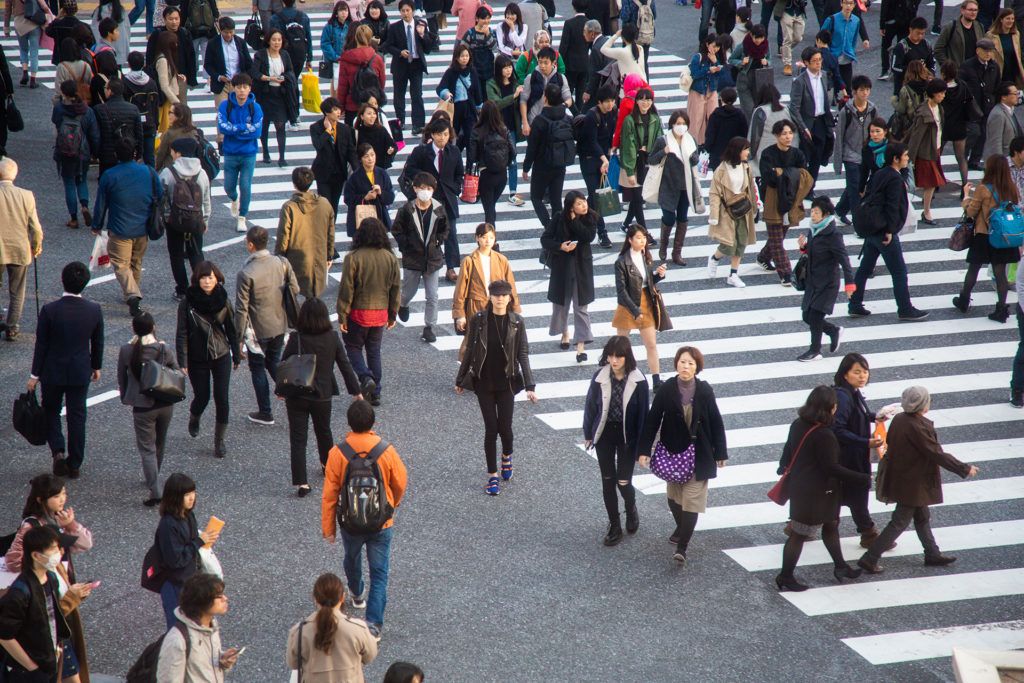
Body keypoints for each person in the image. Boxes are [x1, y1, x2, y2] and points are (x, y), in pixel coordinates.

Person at [858, 386, 980, 573]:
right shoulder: (919, 426)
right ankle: (870, 558)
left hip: (903, 478)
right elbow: (935, 453)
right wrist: (964, 468)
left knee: (922, 518)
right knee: (899, 522)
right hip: (913, 483)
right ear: (923, 404)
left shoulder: (900, 419)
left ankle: (932, 553)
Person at [322, 400, 408, 642]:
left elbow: (330, 494)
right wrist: (393, 504)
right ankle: (373, 624)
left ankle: (356, 592)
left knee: (352, 557)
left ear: (348, 424)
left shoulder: (338, 453)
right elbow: (400, 482)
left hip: (350, 522)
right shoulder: (386, 450)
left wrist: (328, 528)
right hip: (381, 521)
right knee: (379, 572)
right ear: (373, 423)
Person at [774, 386, 871, 591]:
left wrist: (782, 466)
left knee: (831, 524)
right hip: (817, 491)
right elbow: (831, 467)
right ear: (831, 408)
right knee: (799, 533)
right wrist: (861, 478)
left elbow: (788, 450)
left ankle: (840, 566)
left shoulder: (798, 424)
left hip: (803, 487)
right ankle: (785, 576)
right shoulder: (824, 434)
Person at [637, 346, 727, 565]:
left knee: (692, 501)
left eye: (691, 363)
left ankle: (682, 547)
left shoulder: (704, 391)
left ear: (697, 367)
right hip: (673, 451)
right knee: (674, 498)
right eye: (682, 362)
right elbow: (652, 419)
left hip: (700, 455)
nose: (686, 367)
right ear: (676, 363)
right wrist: (643, 450)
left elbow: (716, 421)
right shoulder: (667, 389)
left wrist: (720, 452)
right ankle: (681, 527)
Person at [456, 279, 537, 495]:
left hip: (507, 382)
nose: (500, 299)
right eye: (496, 295)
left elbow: (523, 354)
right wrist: (460, 378)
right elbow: (470, 350)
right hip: (484, 381)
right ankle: (492, 476)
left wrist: (530, 385)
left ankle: (507, 457)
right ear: (489, 297)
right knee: (491, 429)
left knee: (506, 430)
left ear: (509, 298)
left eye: (504, 295)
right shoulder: (479, 320)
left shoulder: (517, 322)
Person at [27, 262, 102, 480]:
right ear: (85, 284)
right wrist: (96, 366)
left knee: (51, 410)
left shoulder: (50, 310)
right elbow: (98, 343)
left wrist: (34, 375)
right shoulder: (94, 310)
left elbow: (41, 345)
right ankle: (75, 462)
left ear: (62, 280)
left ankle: (58, 450)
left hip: (52, 371)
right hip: (80, 370)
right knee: (77, 415)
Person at [280, 298, 361, 497]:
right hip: (322, 394)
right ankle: (327, 466)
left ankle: (302, 482)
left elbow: (284, 364)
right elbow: (345, 365)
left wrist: (281, 390)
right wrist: (356, 391)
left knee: (298, 439)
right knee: (324, 431)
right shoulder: (332, 337)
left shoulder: (296, 338)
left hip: (297, 394)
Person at [849, 142, 930, 321]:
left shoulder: (880, 173)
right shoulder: (894, 179)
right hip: (884, 231)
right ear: (896, 158)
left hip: (872, 228)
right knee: (899, 271)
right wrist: (890, 230)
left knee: (864, 269)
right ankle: (905, 308)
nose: (907, 159)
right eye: (905, 156)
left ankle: (855, 304)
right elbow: (893, 207)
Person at [582, 336, 648, 545]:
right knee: (608, 480)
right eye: (611, 355)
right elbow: (590, 407)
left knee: (623, 480)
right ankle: (614, 525)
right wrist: (588, 434)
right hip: (605, 434)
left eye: (618, 356)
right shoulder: (599, 377)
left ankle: (631, 508)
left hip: (628, 436)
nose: (614, 360)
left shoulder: (639, 380)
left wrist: (643, 448)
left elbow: (644, 416)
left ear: (627, 356)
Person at [235, 225, 300, 426]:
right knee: (273, 360)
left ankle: (265, 412)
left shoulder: (246, 273)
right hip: (279, 323)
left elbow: (241, 309)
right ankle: (292, 395)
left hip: (257, 329)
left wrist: (237, 340)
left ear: (251, 245)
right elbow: (295, 288)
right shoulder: (282, 262)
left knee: (257, 368)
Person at [176, 261, 241, 458]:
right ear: (197, 279)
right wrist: (183, 361)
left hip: (221, 354)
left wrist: (236, 354)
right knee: (202, 396)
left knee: (222, 398)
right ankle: (195, 416)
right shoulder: (187, 302)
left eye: (211, 278)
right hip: (197, 358)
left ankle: (219, 440)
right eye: (203, 278)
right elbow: (182, 333)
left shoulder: (223, 299)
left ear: (217, 279)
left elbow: (231, 329)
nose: (207, 281)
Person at [92, 137, 160, 318]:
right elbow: (160, 195)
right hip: (143, 227)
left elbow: (101, 203)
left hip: (120, 228)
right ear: (135, 154)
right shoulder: (150, 172)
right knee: (136, 262)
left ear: (116, 155)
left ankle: (132, 296)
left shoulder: (110, 175)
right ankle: (132, 292)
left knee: (121, 264)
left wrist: (97, 225)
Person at [117, 313, 180, 506]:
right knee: (159, 443)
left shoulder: (127, 350)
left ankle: (155, 487)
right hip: (164, 404)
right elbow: (177, 372)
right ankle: (154, 476)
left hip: (142, 406)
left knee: (147, 449)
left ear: (133, 329)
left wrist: (126, 397)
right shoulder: (163, 349)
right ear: (153, 327)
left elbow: (122, 377)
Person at [336, 218, 400, 406]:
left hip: (358, 312)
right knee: (374, 351)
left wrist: (342, 314)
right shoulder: (390, 257)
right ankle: (376, 392)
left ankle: (365, 377)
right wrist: (393, 313)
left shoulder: (353, 257)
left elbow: (346, 289)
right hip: (380, 312)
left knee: (353, 347)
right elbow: (396, 288)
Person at [0, 525, 73, 683]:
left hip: (48, 661)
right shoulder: (19, 593)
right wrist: (33, 668)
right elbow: (5, 636)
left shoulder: (51, 579)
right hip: (25, 671)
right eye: (53, 549)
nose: (59, 552)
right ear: (36, 555)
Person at [830, 352, 886, 546]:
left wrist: (874, 417)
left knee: (847, 495)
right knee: (855, 493)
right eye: (857, 372)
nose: (863, 376)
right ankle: (869, 535)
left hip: (854, 453)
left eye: (865, 372)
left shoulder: (853, 392)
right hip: (848, 456)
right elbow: (837, 429)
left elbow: (859, 414)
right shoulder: (844, 396)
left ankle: (799, 528)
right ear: (845, 374)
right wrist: (864, 442)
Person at [956, 155, 1020, 322]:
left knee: (973, 269)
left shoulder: (983, 189)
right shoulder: (1011, 188)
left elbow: (970, 212)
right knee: (1000, 274)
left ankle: (963, 300)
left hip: (984, 236)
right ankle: (1001, 309)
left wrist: (965, 198)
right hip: (1003, 236)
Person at [153, 473, 220, 628]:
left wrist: (204, 540)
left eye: (193, 493)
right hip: (176, 585)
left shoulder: (188, 515)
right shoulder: (168, 526)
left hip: (190, 580)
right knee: (179, 629)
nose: (192, 498)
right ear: (175, 497)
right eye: (186, 495)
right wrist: (199, 541)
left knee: (200, 624)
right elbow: (175, 560)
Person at [391, 173, 449, 343]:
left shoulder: (438, 209)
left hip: (433, 259)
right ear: (415, 189)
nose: (425, 192)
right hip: (413, 259)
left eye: (429, 188)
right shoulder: (407, 210)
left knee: (432, 296)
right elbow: (396, 230)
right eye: (422, 188)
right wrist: (406, 245)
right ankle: (403, 304)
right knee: (409, 290)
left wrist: (439, 240)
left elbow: (445, 229)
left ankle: (429, 327)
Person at [402, 120, 464, 280]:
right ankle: (426, 265)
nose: (443, 138)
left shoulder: (454, 151)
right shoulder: (422, 151)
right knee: (428, 233)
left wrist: (456, 188)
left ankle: (451, 268)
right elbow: (409, 169)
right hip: (428, 199)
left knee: (451, 233)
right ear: (433, 135)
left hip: (448, 198)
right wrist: (425, 180)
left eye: (445, 134)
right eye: (439, 134)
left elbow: (459, 174)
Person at [286, 573, 378, 680]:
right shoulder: (358, 629)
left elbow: (293, 663)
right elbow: (370, 656)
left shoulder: (300, 632)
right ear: (342, 597)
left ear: (315, 598)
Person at [795, 196, 853, 361]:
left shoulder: (833, 235)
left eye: (816, 212)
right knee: (807, 316)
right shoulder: (814, 229)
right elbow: (813, 252)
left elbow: (845, 261)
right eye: (812, 211)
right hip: (813, 281)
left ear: (826, 214)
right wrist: (803, 247)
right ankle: (833, 331)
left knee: (815, 316)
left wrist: (850, 285)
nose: (812, 215)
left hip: (827, 283)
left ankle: (815, 350)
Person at [541, 190, 596, 361]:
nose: (584, 205)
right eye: (579, 204)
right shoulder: (558, 217)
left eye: (584, 202)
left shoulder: (591, 217)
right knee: (561, 303)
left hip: (581, 268)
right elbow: (545, 239)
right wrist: (561, 247)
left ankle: (580, 348)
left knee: (581, 307)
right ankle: (564, 332)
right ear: (571, 207)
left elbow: (588, 236)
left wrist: (573, 222)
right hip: (562, 267)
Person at [756, 119, 813, 286]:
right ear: (776, 135)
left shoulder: (797, 154)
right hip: (772, 198)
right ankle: (786, 273)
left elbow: (804, 176)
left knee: (780, 234)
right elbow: (768, 177)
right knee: (776, 237)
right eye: (783, 134)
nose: (788, 137)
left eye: (790, 133)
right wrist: (791, 175)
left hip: (792, 198)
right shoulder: (768, 154)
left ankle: (763, 257)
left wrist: (781, 173)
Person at [613, 224, 669, 387]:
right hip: (628, 305)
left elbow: (647, 282)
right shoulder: (622, 261)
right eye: (639, 238)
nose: (643, 241)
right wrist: (635, 311)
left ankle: (656, 380)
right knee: (621, 346)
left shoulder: (646, 256)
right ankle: (618, 379)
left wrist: (658, 275)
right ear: (630, 240)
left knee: (651, 344)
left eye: (644, 237)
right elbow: (621, 291)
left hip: (645, 300)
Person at [452, 222, 520, 355]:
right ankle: (469, 370)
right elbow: (460, 290)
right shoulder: (469, 261)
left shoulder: (501, 260)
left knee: (497, 339)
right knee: (474, 341)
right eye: (484, 237)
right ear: (477, 238)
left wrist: (515, 309)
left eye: (491, 237)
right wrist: (460, 315)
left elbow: (510, 286)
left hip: (498, 305)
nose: (488, 240)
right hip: (475, 305)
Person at [649, 110, 704, 265]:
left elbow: (695, 161)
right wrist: (663, 152)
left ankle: (677, 252)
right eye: (678, 123)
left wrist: (693, 155)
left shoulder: (690, 140)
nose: (681, 127)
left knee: (682, 218)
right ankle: (663, 245)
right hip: (667, 186)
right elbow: (651, 159)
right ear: (672, 124)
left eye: (684, 124)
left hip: (685, 186)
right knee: (668, 217)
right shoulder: (663, 141)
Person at [160, 136, 211, 301]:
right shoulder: (202, 173)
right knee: (196, 253)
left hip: (175, 221)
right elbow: (206, 200)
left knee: (176, 255)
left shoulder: (169, 172)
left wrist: (166, 218)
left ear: (178, 153)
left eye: (173, 151)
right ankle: (202, 288)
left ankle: (182, 290)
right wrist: (206, 220)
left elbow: (163, 199)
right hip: (196, 220)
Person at [274, 167, 334, 300]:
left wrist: (279, 258)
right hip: (318, 258)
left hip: (296, 259)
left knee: (290, 296)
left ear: (294, 184)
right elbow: (330, 234)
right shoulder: (325, 204)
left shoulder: (289, 207)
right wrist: (329, 256)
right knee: (313, 297)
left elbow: (283, 236)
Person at [0, 158, 43, 342]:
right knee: (17, 291)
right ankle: (11, 327)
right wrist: (36, 245)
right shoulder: (26, 195)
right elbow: (36, 227)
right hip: (19, 249)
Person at [707, 136, 758, 287]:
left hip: (743, 209)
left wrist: (755, 207)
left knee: (741, 242)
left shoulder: (745, 167)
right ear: (737, 151)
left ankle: (733, 274)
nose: (748, 153)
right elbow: (714, 193)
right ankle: (715, 258)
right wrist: (714, 215)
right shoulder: (721, 170)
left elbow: (750, 187)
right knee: (729, 244)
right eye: (745, 149)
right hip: (727, 212)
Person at [382, 0, 436, 134]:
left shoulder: (421, 25)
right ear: (400, 12)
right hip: (400, 64)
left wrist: (423, 35)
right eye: (403, 11)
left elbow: (428, 48)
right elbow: (387, 45)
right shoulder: (395, 27)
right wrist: (399, 52)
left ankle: (418, 125)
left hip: (416, 64)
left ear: (413, 11)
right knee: (399, 95)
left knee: (417, 95)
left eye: (408, 10)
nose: (405, 13)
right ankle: (400, 121)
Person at [218, 73, 263, 233]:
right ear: (234, 88)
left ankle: (242, 216)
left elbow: (256, 132)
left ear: (250, 88)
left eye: (245, 87)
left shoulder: (255, 107)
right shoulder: (225, 106)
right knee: (229, 187)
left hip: (249, 153)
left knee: (245, 185)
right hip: (230, 152)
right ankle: (234, 199)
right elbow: (222, 127)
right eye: (239, 87)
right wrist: (243, 127)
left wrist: (234, 128)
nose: (242, 91)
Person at [832, 75, 877, 224]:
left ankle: (839, 210)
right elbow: (839, 138)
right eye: (862, 90)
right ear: (854, 91)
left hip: (865, 153)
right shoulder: (846, 112)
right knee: (854, 189)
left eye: (868, 89)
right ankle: (859, 223)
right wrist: (837, 163)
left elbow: (877, 130)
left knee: (856, 185)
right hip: (850, 154)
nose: (865, 93)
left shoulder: (872, 109)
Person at [250, 28, 298, 167]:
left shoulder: (285, 54)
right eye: (274, 40)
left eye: (279, 40)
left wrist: (285, 78)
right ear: (268, 41)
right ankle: (265, 151)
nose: (277, 43)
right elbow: (254, 72)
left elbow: (290, 71)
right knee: (264, 123)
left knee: (280, 124)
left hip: (281, 94)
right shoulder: (260, 55)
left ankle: (282, 157)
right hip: (265, 93)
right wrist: (269, 78)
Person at [789, 47, 836, 185]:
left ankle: (810, 188)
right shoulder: (800, 81)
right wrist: (803, 128)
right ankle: (801, 186)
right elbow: (794, 108)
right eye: (814, 61)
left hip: (821, 122)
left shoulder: (824, 76)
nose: (818, 63)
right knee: (804, 159)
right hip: (807, 124)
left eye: (820, 60)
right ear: (806, 63)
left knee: (817, 159)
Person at [204, 17, 253, 148]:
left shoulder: (240, 42)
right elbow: (207, 65)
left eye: (231, 32)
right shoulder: (213, 43)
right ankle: (221, 141)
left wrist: (245, 78)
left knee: (239, 110)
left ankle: (238, 137)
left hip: (238, 84)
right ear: (220, 30)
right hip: (222, 84)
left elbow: (248, 62)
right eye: (226, 32)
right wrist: (219, 76)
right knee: (222, 111)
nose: (229, 35)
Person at [616, 87, 659, 233]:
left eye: (648, 99)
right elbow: (628, 146)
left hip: (649, 161)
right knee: (638, 198)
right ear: (637, 101)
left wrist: (649, 150)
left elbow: (659, 139)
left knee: (638, 197)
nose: (645, 102)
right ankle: (645, 233)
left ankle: (626, 224)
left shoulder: (654, 118)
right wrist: (629, 171)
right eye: (642, 99)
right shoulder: (630, 120)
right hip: (635, 163)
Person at [577, 85, 615, 248]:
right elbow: (591, 141)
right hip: (588, 158)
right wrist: (604, 159)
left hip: (602, 158)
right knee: (595, 195)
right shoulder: (592, 116)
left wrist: (609, 153)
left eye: (612, 101)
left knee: (594, 197)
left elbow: (610, 135)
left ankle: (580, 219)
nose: (610, 104)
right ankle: (602, 232)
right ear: (599, 102)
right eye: (606, 101)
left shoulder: (613, 112)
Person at [486, 54, 526, 208]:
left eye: (510, 66)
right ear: (499, 69)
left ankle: (512, 193)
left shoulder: (515, 82)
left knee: (513, 160)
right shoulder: (491, 84)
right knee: (497, 160)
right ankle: (493, 190)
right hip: (497, 127)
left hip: (512, 127)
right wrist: (513, 96)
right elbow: (495, 104)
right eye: (505, 67)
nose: (509, 70)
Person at [467, 100, 515, 226]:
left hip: (486, 174)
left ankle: (491, 241)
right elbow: (513, 151)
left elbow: (472, 156)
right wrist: (506, 163)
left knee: (489, 211)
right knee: (491, 207)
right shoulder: (503, 129)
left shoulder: (477, 131)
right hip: (502, 175)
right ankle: (491, 238)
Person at [309, 98, 356, 219]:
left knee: (334, 206)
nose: (338, 112)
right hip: (323, 173)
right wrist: (328, 131)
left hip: (339, 173)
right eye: (335, 110)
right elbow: (318, 145)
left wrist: (358, 170)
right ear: (327, 113)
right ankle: (324, 232)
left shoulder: (345, 129)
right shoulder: (316, 127)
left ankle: (331, 233)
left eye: (338, 109)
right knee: (325, 206)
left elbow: (351, 151)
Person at [437, 43, 484, 151]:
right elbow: (440, 88)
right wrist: (446, 93)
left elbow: (477, 89)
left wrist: (479, 105)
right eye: (462, 56)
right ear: (456, 57)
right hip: (455, 109)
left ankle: (469, 164)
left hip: (469, 107)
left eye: (466, 56)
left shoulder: (472, 71)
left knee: (470, 137)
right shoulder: (451, 72)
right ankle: (452, 158)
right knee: (453, 136)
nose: (464, 59)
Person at [343, 143, 396, 238]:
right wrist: (364, 197)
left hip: (380, 218)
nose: (370, 159)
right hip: (361, 219)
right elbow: (348, 199)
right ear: (360, 159)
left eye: (372, 155)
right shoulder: (354, 177)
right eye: (366, 156)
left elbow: (391, 197)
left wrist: (381, 193)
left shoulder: (382, 173)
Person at [960, 39, 999, 167]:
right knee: (973, 132)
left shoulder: (994, 66)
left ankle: (975, 160)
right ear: (977, 51)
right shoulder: (967, 66)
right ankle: (963, 157)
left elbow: (997, 85)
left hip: (988, 105)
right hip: (971, 106)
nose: (988, 54)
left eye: (990, 51)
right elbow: (960, 85)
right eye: (985, 51)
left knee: (983, 134)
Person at [94, 79, 144, 176]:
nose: (104, 90)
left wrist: (96, 153)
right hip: (128, 154)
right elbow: (139, 133)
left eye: (105, 88)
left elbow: (96, 135)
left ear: (110, 91)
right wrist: (138, 154)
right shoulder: (133, 109)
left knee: (108, 183)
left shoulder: (99, 109)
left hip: (107, 155)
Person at [748, 83, 797, 182]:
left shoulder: (761, 111)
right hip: (786, 153)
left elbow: (754, 137)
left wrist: (749, 155)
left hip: (764, 156)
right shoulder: (786, 109)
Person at [337, 24, 385, 123]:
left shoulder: (346, 59)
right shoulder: (377, 58)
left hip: (352, 104)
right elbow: (381, 83)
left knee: (352, 136)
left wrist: (340, 108)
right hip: (371, 106)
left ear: (355, 38)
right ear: (370, 38)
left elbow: (342, 87)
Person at [940, 60, 976, 193]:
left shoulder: (940, 88)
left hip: (944, 126)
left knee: (937, 154)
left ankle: (936, 183)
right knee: (961, 158)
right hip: (959, 125)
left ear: (943, 73)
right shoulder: (963, 86)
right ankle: (964, 186)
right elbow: (969, 104)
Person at [147, 7, 199, 100]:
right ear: (164, 19)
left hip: (180, 77)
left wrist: (192, 79)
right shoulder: (157, 34)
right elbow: (150, 56)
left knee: (181, 108)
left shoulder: (184, 33)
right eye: (171, 19)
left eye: (176, 19)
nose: (174, 22)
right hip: (162, 77)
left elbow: (190, 57)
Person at [518, 46, 571, 131]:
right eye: (540, 62)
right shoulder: (531, 78)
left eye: (546, 63)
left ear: (553, 63)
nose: (542, 66)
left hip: (554, 124)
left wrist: (561, 107)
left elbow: (568, 99)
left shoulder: (560, 78)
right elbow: (523, 100)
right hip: (534, 122)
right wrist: (525, 122)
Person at [821, 0, 869, 92]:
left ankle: (846, 102)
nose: (848, 6)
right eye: (846, 3)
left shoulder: (856, 21)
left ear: (854, 5)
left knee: (848, 87)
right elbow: (822, 36)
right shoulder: (832, 19)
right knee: (832, 87)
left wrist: (864, 39)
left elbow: (854, 39)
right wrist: (826, 52)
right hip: (833, 56)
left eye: (850, 3)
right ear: (841, 4)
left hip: (847, 56)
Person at [124, 51, 162, 166]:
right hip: (149, 124)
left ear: (129, 64)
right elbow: (155, 104)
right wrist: (156, 124)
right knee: (150, 158)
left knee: (131, 156)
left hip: (131, 126)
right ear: (143, 64)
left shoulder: (125, 82)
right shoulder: (151, 82)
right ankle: (151, 180)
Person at [728, 24, 769, 123]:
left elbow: (769, 60)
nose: (758, 41)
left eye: (761, 38)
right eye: (756, 38)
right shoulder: (743, 46)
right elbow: (731, 59)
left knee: (758, 108)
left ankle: (755, 134)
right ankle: (751, 134)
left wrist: (767, 62)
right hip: (744, 79)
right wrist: (741, 62)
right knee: (749, 110)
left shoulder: (766, 46)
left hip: (759, 79)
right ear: (751, 35)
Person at [687, 35, 724, 145]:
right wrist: (708, 70)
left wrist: (716, 63)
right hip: (698, 92)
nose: (715, 49)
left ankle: (710, 143)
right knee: (696, 120)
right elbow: (694, 74)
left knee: (713, 118)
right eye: (713, 46)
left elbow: (722, 74)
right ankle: (694, 145)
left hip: (712, 91)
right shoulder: (697, 57)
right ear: (707, 44)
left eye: (717, 47)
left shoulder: (717, 58)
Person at [5, 0, 48, 90]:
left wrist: (7, 28)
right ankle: (33, 79)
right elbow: (44, 6)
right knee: (34, 52)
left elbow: (8, 10)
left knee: (23, 49)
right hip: (33, 21)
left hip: (19, 23)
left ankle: (25, 72)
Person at [704, 88, 747, 172]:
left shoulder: (715, 115)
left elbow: (710, 135)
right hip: (735, 155)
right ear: (735, 99)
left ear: (722, 99)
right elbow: (744, 134)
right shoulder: (739, 115)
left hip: (718, 156)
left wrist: (708, 148)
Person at [890, 16, 935, 94]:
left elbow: (932, 64)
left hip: (923, 89)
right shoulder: (902, 46)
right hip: (905, 89)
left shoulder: (926, 45)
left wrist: (929, 75)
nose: (920, 36)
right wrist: (914, 69)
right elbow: (894, 67)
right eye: (918, 33)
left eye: (923, 33)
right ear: (910, 30)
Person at [270, 0, 312, 82]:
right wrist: (309, 58)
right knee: (294, 79)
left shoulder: (275, 18)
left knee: (285, 80)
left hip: (283, 54)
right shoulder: (304, 16)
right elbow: (308, 38)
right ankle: (294, 93)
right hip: (300, 54)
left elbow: (271, 38)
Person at [558, 0, 590, 106]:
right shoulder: (589, 23)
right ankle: (579, 116)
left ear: (574, 7)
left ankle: (573, 114)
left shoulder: (569, 23)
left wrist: (559, 62)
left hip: (570, 64)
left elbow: (563, 46)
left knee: (568, 92)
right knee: (581, 92)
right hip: (585, 63)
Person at [935, 0, 985, 67]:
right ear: (962, 10)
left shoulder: (979, 27)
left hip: (975, 71)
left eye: (975, 10)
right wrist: (948, 66)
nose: (973, 13)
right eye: (970, 10)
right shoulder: (951, 27)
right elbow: (938, 49)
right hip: (957, 72)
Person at [461, 7, 498, 93]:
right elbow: (462, 50)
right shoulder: (470, 33)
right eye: (483, 18)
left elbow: (494, 47)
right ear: (476, 19)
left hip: (488, 70)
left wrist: (487, 34)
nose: (486, 21)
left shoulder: (491, 32)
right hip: (474, 69)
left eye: (488, 18)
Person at [984, 81, 1023, 159]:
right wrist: (1000, 165)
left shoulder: (1010, 110)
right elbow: (995, 143)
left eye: (1018, 93)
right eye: (1015, 94)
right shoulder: (998, 114)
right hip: (1003, 162)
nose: (1018, 96)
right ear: (1004, 97)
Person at [321, 1, 353, 96]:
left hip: (348, 60)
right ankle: (335, 104)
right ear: (336, 12)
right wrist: (335, 57)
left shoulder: (351, 25)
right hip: (334, 61)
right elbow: (325, 43)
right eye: (341, 11)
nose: (343, 13)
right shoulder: (329, 26)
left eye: (346, 10)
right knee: (335, 83)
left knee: (347, 83)